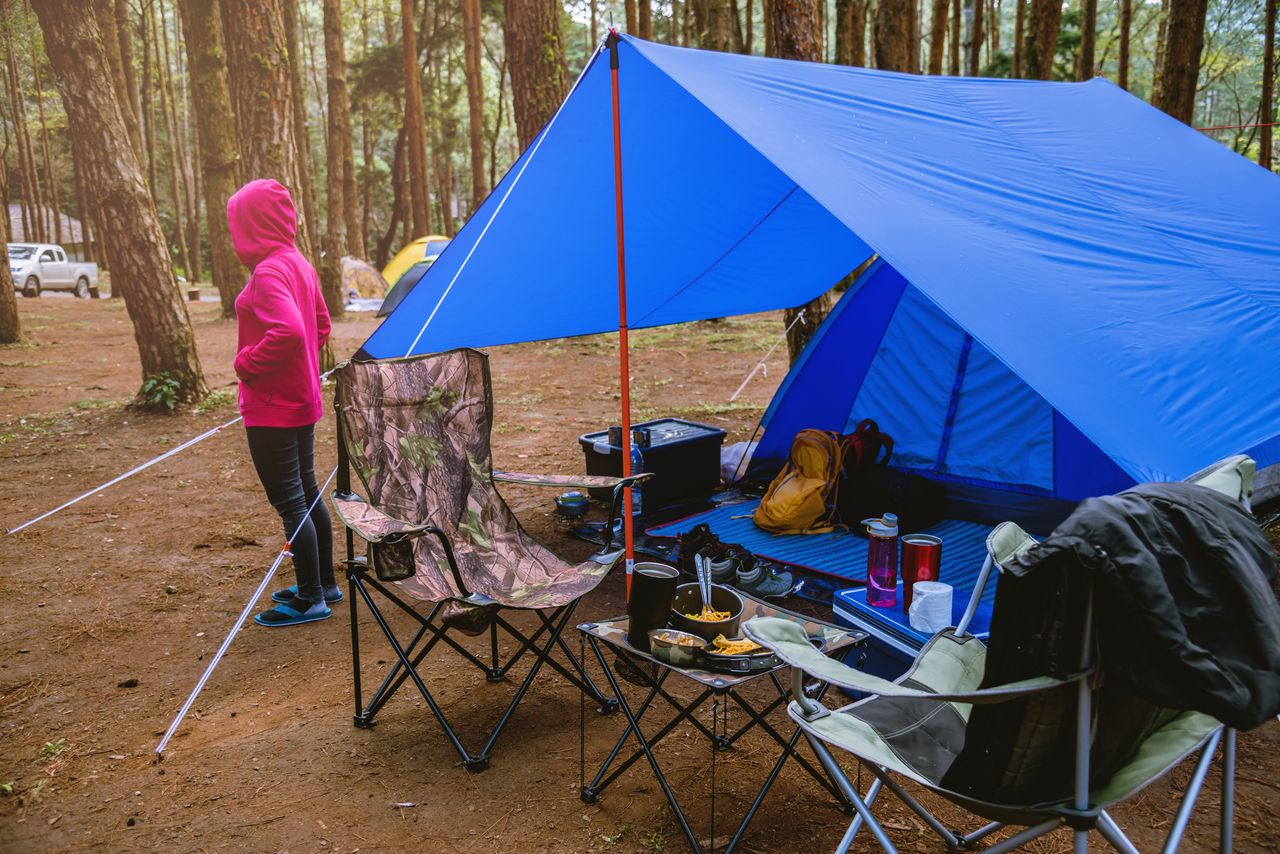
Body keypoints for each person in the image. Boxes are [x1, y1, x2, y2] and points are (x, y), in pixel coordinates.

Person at [228, 178, 340, 627]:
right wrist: (300, 367)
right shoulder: (298, 264)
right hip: (300, 399)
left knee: (292, 502)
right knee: (307, 494)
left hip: (273, 407)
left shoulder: (270, 272)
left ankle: (311, 597)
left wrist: (247, 363)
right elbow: (322, 326)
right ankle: (324, 582)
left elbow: (292, 331)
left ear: (252, 223)